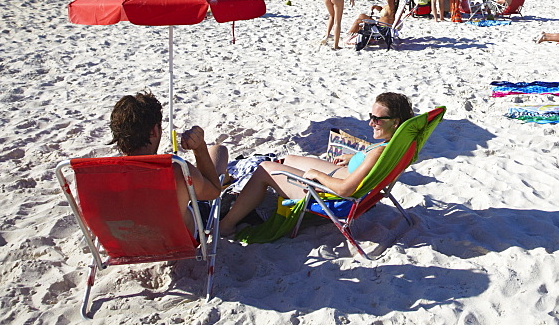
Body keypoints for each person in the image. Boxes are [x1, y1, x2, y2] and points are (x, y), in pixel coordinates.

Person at [219, 93, 414, 238]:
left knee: (265, 170)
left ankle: (227, 224)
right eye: (371, 116)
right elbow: (370, 162)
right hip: (343, 174)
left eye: (377, 119)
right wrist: (356, 158)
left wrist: (317, 175)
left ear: (396, 122)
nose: (371, 123)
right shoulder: (396, 144)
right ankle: (258, 195)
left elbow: (346, 189)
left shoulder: (379, 152)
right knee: (289, 159)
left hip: (333, 193)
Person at [108, 92, 228, 228]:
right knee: (219, 151)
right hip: (177, 240)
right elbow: (213, 191)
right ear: (154, 131)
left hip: (127, 241)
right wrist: (200, 149)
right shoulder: (178, 171)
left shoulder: (103, 174)